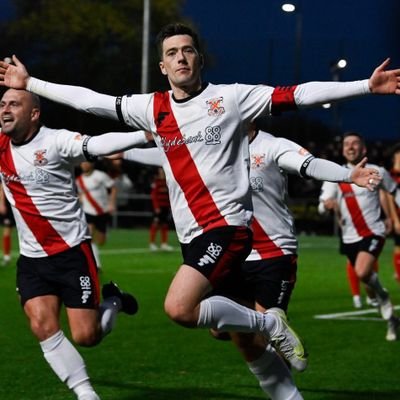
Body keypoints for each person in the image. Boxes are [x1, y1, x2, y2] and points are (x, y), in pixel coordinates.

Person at [2, 22, 400, 374]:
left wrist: (366, 85)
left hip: (227, 227)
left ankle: (270, 323)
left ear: (200, 58)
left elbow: (298, 94)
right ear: (162, 66)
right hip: (192, 237)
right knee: (223, 333)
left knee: (178, 307)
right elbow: (92, 100)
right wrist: (31, 83)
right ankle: (274, 359)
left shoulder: (231, 99)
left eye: (187, 50)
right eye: (171, 53)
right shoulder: (152, 107)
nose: (180, 58)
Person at [120, 127, 380, 399]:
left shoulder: (273, 145)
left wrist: (348, 174)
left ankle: (281, 360)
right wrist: (121, 151)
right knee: (225, 332)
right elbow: (166, 155)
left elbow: (309, 164)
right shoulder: (213, 146)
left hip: (274, 254)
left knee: (257, 340)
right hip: (234, 253)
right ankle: (273, 327)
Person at [0, 88, 151, 399]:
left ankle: (114, 301)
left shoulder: (56, 141)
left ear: (34, 114)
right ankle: (85, 393)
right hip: (32, 259)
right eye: (2, 104)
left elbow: (97, 144)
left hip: (72, 254)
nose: (5, 109)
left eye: (14, 103)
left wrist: (143, 135)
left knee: (87, 336)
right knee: (42, 325)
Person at [318, 132, 399, 341]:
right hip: (349, 238)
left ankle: (386, 302)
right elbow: (322, 204)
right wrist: (326, 205)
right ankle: (391, 318)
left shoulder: (376, 171)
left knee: (362, 271)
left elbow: (394, 191)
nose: (350, 147)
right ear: (343, 149)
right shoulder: (333, 174)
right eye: (346, 144)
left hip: (373, 232)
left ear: (363, 149)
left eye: (355, 143)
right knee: (368, 284)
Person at [76, 161, 117, 269]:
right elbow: (80, 193)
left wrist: (112, 203)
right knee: (89, 237)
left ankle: (96, 259)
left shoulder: (101, 175)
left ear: (92, 164)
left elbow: (113, 188)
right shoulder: (79, 180)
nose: (84, 165)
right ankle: (96, 264)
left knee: (101, 240)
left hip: (102, 210)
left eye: (86, 163)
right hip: (88, 211)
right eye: (82, 163)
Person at [148, 167, 173, 251]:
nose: (162, 172)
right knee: (155, 224)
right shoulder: (156, 182)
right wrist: (156, 207)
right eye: (160, 171)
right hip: (158, 208)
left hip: (166, 207)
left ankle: (164, 244)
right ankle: (152, 243)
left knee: (165, 225)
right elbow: (153, 195)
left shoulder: (167, 181)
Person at [389, 144, 400, 282]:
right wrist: (395, 220)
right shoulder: (391, 175)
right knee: (398, 248)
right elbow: (389, 199)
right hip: (398, 216)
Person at [0, 182, 14, 265]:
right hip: (8, 205)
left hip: (13, 204)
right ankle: (7, 256)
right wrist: (1, 204)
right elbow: (2, 188)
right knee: (6, 231)